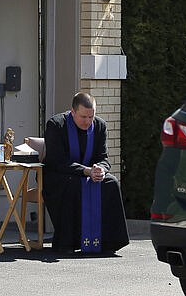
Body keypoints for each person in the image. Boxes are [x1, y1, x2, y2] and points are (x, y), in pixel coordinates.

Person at [43, 92, 129, 254]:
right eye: (83, 117)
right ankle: (68, 241)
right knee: (72, 184)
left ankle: (109, 242)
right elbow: (57, 161)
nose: (88, 122)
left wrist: (100, 169)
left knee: (111, 183)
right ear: (73, 112)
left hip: (90, 173)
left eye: (91, 116)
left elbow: (103, 158)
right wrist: (86, 171)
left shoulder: (100, 126)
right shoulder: (56, 125)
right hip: (60, 175)